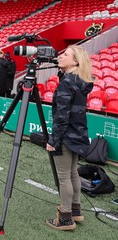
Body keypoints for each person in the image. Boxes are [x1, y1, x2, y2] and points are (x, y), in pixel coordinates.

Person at [46, 45, 93, 230]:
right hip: (78, 134)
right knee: (73, 172)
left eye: (65, 54)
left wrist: (53, 140)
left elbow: (62, 116)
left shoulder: (67, 83)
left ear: (75, 61)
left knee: (64, 176)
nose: (60, 56)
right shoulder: (79, 80)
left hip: (66, 135)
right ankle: (75, 211)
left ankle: (65, 218)